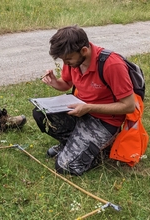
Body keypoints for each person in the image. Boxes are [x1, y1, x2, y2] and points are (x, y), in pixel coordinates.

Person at [32, 25, 135, 176]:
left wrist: (89, 108)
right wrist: (55, 83)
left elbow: (129, 106)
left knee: (65, 167)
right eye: (62, 60)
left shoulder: (112, 65)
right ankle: (73, 144)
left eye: (68, 59)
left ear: (84, 51)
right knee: (41, 113)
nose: (66, 64)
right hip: (82, 110)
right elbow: (66, 83)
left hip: (105, 122)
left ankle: (102, 149)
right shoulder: (74, 61)